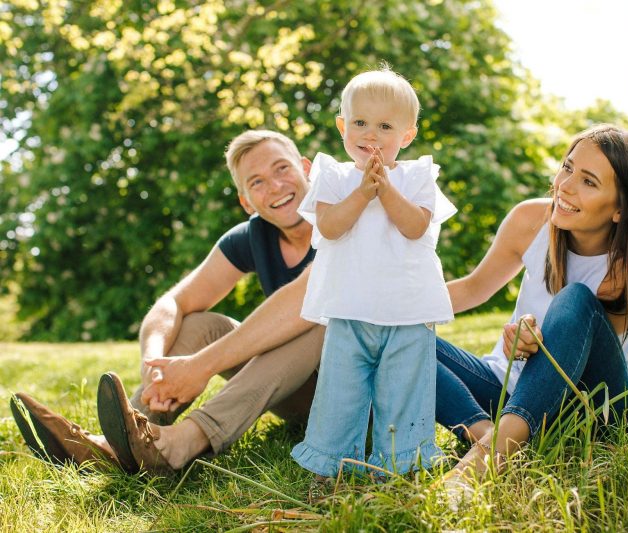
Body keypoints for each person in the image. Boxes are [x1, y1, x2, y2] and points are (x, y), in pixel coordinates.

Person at [10, 130, 326, 474]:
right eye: (258, 182)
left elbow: (306, 298)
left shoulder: (345, 216)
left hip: (360, 399)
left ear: (306, 168)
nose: (276, 186)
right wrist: (154, 364)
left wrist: (199, 367)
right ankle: (124, 440)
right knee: (198, 325)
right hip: (302, 393)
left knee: (321, 319)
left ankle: (184, 442)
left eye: (282, 169)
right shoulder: (252, 236)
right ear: (246, 201)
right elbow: (173, 303)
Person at [435, 124, 628, 483]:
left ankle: (489, 457)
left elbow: (578, 362)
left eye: (589, 182)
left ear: (621, 209)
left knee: (575, 300)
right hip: (518, 391)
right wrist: (380, 307)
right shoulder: (531, 221)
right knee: (401, 336)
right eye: (568, 167)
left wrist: (530, 339)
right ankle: (493, 438)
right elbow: (474, 288)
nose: (566, 186)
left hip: (600, 407)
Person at [290, 68, 456, 479]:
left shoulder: (417, 176)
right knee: (340, 391)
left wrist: (385, 189)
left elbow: (415, 226)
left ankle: (401, 463)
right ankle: (333, 462)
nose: (371, 134)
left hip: (407, 314)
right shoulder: (333, 175)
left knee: (405, 390)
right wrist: (364, 192)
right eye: (360, 122)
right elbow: (329, 227)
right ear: (342, 126)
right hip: (350, 310)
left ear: (407, 136)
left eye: (385, 126)